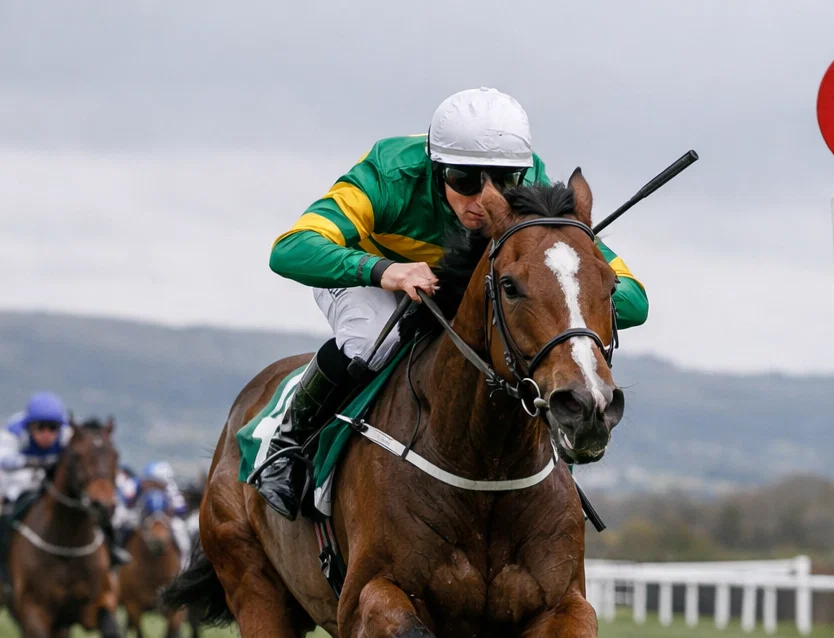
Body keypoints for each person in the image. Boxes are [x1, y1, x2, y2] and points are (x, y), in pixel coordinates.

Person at [252, 86, 650, 519]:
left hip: (466, 286)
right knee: (373, 341)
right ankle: (291, 441)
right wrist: (385, 270)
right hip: (363, 275)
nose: (485, 200)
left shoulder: (531, 187)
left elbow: (631, 300)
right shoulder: (389, 175)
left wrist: (574, 284)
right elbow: (291, 249)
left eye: (502, 183)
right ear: (435, 167)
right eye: (464, 180)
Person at [0, 391, 72, 560]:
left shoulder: (67, 433)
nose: (47, 434)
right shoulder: (14, 430)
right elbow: (1, 460)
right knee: (15, 496)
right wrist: (29, 462)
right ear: (29, 426)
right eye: (40, 428)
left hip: (52, 472)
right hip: (19, 475)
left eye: (52, 428)